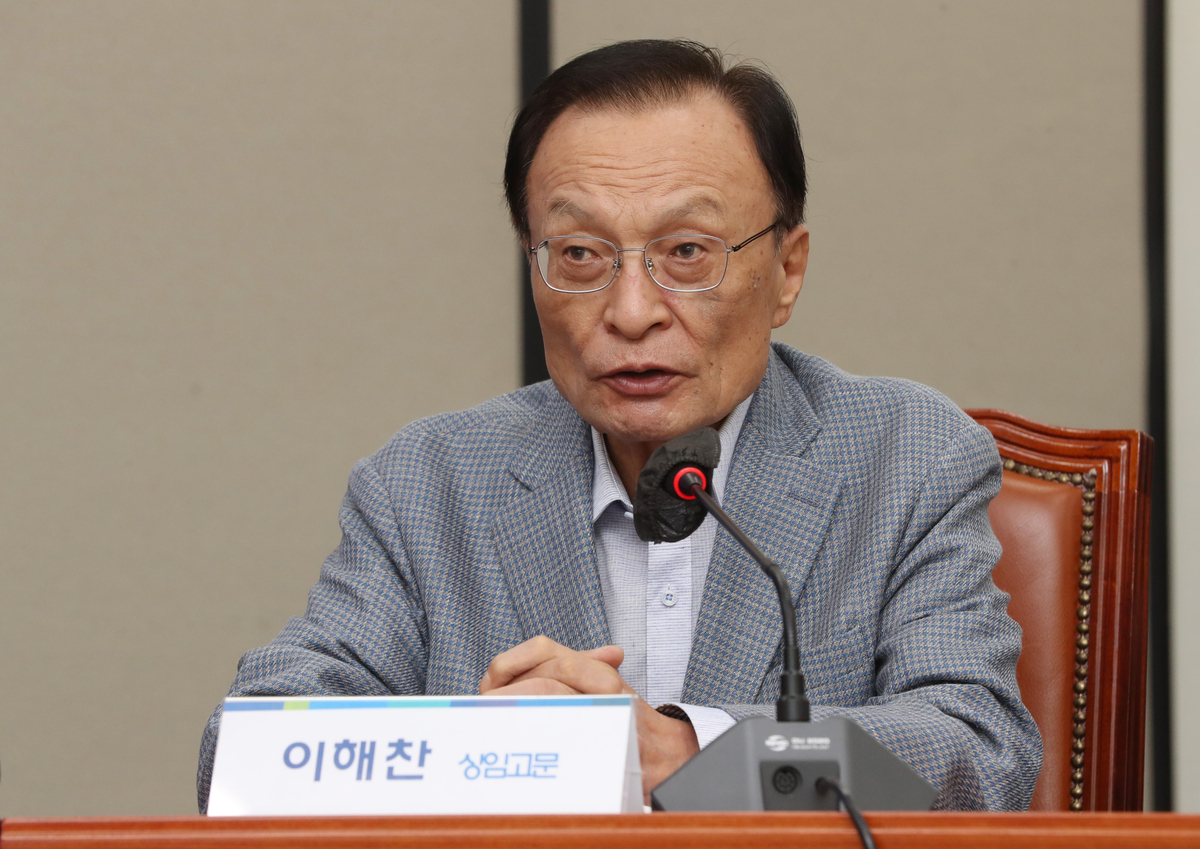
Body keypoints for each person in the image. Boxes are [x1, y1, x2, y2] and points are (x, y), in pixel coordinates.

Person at [197, 39, 1040, 812]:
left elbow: (978, 750)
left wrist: (691, 753)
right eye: (580, 255)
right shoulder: (428, 483)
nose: (632, 311)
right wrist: (481, 751)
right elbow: (240, 758)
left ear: (787, 270)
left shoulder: (905, 457)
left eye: (687, 252)